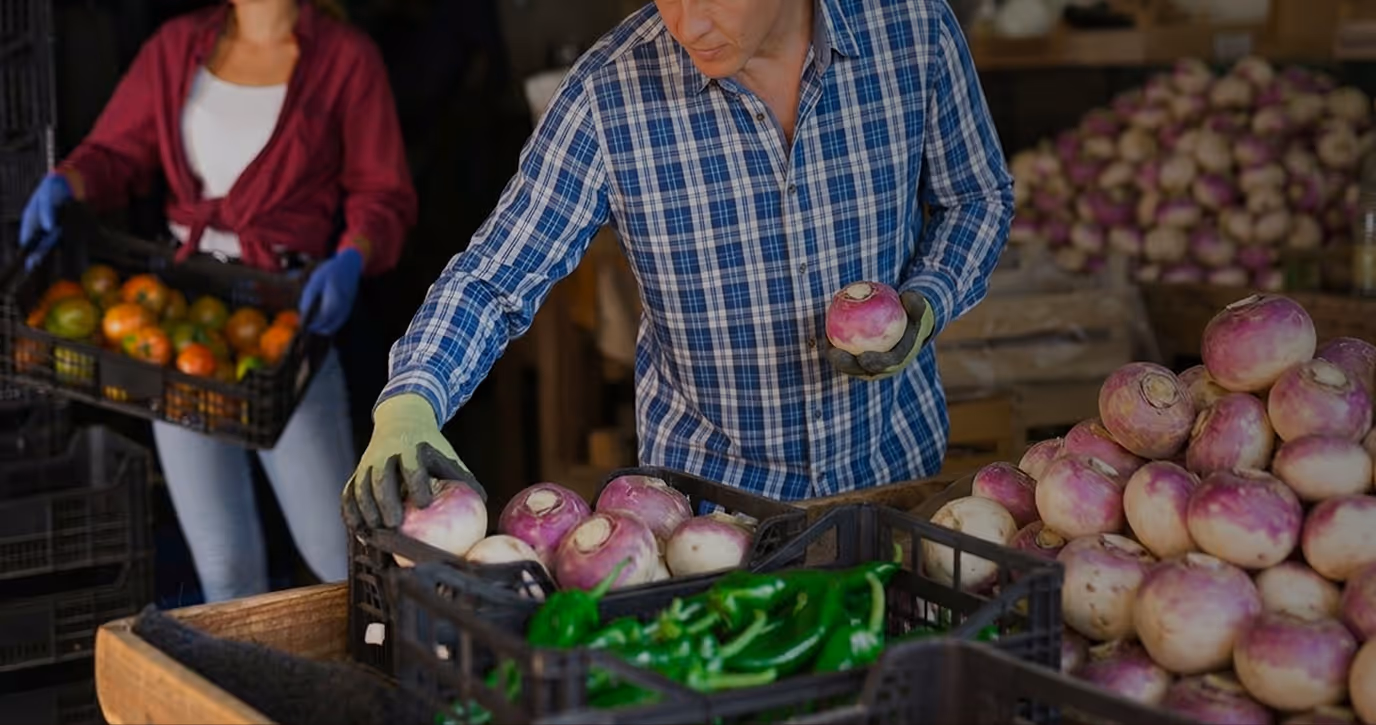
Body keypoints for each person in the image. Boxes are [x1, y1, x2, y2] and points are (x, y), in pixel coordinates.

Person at [343, 0, 1012, 531]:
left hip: (897, 485)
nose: (687, 23)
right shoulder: (610, 95)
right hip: (707, 522)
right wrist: (413, 399)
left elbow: (976, 198)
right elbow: (493, 276)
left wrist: (925, 303)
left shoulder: (913, 30)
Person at [18, 0, 416, 602]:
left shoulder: (345, 58)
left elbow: (382, 192)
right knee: (223, 566)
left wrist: (353, 256)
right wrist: (67, 182)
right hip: (179, 322)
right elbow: (115, 151)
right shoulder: (177, 45)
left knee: (342, 557)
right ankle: (245, 693)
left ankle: (384, 685)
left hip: (286, 322)